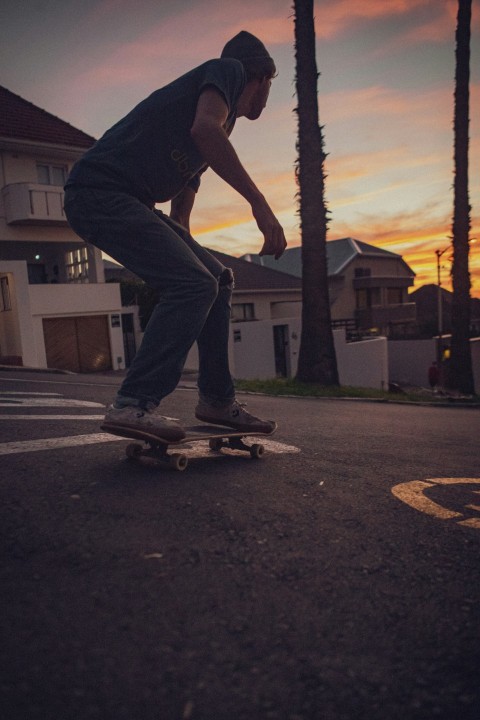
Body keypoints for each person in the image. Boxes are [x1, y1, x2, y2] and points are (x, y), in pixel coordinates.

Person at [64, 31, 286, 441]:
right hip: (100, 192)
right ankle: (133, 404)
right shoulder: (229, 72)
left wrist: (186, 249)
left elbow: (181, 214)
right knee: (193, 284)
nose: (268, 97)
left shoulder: (224, 123)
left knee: (215, 279)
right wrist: (260, 204)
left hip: (128, 202)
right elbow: (205, 130)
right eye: (270, 85)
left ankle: (217, 400)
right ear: (261, 77)